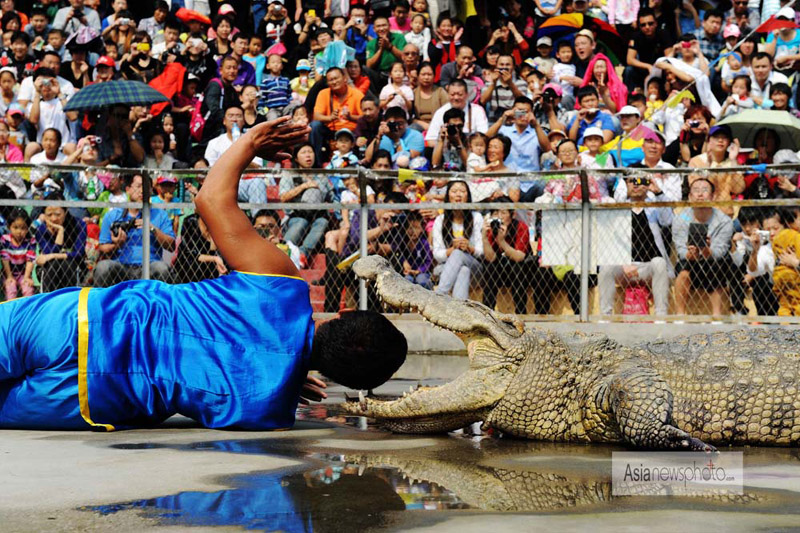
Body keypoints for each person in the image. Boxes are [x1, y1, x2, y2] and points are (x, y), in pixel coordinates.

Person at [0, 117, 408, 431]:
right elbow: (237, 363)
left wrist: (250, 142)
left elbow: (209, 198)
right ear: (342, 380)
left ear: (342, 315)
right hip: (97, 398)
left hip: (91, 321)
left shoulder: (282, 284)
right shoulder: (269, 411)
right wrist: (289, 370)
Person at [598, 175, 674, 318]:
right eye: (632, 181)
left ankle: (661, 316)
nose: (636, 185)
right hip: (623, 268)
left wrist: (658, 192)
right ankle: (605, 316)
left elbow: (667, 220)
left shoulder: (654, 206)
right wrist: (623, 263)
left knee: (659, 262)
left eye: (641, 181)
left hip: (648, 267)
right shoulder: (618, 207)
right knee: (606, 267)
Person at [94, 173, 175, 287]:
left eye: (146, 187)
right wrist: (117, 244)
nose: (142, 191)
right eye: (138, 186)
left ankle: (161, 304)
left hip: (150, 265)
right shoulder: (113, 215)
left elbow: (171, 246)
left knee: (162, 268)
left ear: (151, 191)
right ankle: (101, 304)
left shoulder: (160, 214)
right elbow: (102, 247)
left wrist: (152, 229)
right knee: (103, 267)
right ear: (128, 190)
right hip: (121, 266)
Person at [672, 178, 734, 317]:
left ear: (713, 196)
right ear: (689, 197)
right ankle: (680, 316)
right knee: (682, 273)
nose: (700, 194)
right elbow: (680, 249)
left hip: (713, 262)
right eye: (696, 190)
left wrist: (706, 250)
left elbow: (721, 251)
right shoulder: (680, 219)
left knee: (716, 267)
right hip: (690, 261)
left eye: (705, 190)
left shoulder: (724, 221)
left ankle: (716, 316)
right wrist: (690, 254)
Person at [431, 180, 483, 300]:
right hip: (445, 268)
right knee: (463, 270)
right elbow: (437, 255)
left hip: (474, 267)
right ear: (448, 197)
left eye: (462, 191)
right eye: (454, 191)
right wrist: (452, 249)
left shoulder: (476, 218)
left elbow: (481, 252)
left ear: (468, 196)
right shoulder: (440, 220)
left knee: (459, 255)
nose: (458, 194)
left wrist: (468, 248)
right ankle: (460, 309)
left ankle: (439, 296)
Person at [480, 197, 529, 314]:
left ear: (512, 214)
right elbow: (490, 258)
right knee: (489, 268)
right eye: (496, 213)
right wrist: (484, 238)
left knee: (518, 267)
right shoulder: (490, 229)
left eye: (504, 212)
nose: (500, 216)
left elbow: (519, 256)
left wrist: (501, 241)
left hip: (518, 272)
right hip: (497, 271)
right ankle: (487, 312)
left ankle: (521, 312)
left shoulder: (521, 227)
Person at [34, 196, 87, 292]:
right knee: (53, 264)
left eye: (58, 214)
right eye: (49, 215)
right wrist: (60, 232)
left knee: (66, 264)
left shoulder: (79, 225)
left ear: (66, 212)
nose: (54, 219)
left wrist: (53, 255)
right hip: (48, 269)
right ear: (44, 215)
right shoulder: (41, 230)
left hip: (74, 268)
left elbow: (79, 254)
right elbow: (47, 252)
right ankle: (48, 300)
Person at [1, 208, 35, 300]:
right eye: (15, 227)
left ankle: (28, 310)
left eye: (23, 228)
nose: (19, 231)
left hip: (24, 273)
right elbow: (5, 258)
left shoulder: (30, 241)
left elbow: (30, 260)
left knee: (27, 288)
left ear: (27, 228)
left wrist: (27, 277)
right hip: (8, 273)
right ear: (9, 227)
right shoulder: (5, 240)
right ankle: (11, 310)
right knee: (10, 288)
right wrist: (9, 276)